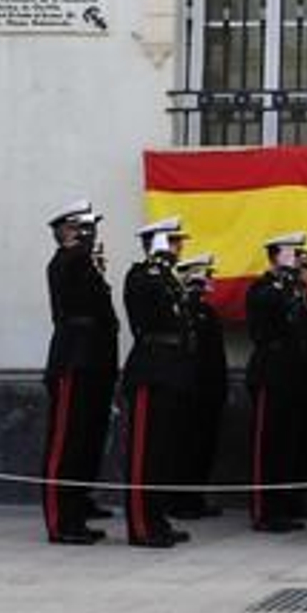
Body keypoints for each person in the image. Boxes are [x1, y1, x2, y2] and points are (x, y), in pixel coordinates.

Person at [41, 201, 119, 545]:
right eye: (86, 229)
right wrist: (82, 245)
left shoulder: (85, 265)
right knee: (67, 441)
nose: (93, 235)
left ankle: (78, 504)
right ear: (70, 231)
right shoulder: (64, 262)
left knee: (87, 439)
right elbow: (73, 261)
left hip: (94, 360)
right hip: (73, 358)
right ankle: (61, 519)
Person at [121, 218, 195, 548]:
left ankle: (158, 517)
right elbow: (145, 306)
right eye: (174, 242)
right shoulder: (143, 275)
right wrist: (158, 261)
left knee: (163, 452)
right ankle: (141, 525)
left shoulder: (169, 278)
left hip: (172, 369)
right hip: (150, 368)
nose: (180, 249)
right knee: (144, 453)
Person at [244, 233, 307, 533]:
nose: (299, 261)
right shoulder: (264, 288)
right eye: (294, 254)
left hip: (292, 373)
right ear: (278, 256)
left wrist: (296, 286)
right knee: (267, 444)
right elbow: (268, 309)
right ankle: (263, 510)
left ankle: (283, 506)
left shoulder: (294, 291)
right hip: (269, 372)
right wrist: (287, 280)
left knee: (287, 445)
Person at [168, 253, 226, 521]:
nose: (210, 281)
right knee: (185, 448)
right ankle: (181, 500)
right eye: (206, 275)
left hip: (208, 389)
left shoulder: (207, 310)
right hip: (190, 389)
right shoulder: (185, 309)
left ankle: (195, 497)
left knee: (203, 447)